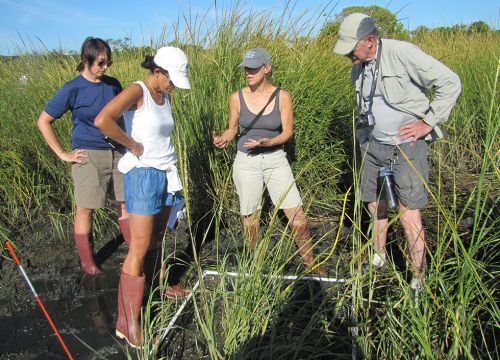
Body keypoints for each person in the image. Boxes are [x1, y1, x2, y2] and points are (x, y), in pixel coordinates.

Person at [333, 13, 461, 291]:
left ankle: (418, 276)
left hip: (406, 147)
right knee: (372, 203)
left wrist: (427, 122)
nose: (347, 55)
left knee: (408, 213)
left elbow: (450, 82)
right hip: (373, 145)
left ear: (369, 40)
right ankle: (379, 256)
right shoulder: (358, 63)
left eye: (351, 47)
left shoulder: (403, 53)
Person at [94, 46, 191, 348]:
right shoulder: (139, 90)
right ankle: (127, 322)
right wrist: (131, 144)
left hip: (165, 174)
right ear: (158, 71)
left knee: (159, 239)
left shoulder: (167, 96)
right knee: (138, 246)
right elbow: (103, 119)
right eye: (171, 78)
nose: (174, 84)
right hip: (142, 175)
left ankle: (159, 286)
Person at [213, 48, 324, 275]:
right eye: (246, 68)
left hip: (275, 159)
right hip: (246, 162)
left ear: (267, 68)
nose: (248, 72)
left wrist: (269, 142)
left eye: (253, 68)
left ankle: (310, 264)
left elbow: (287, 133)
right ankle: (257, 264)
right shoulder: (236, 97)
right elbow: (233, 128)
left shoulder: (283, 96)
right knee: (250, 216)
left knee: (296, 213)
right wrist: (223, 138)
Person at [37, 37, 131, 276]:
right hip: (88, 153)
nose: (105, 67)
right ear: (86, 60)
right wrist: (62, 153)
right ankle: (88, 263)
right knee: (86, 208)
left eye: (108, 62)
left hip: (118, 152)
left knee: (125, 202)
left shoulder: (113, 85)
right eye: (100, 62)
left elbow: (122, 116)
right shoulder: (73, 88)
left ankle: (134, 253)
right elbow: (44, 121)